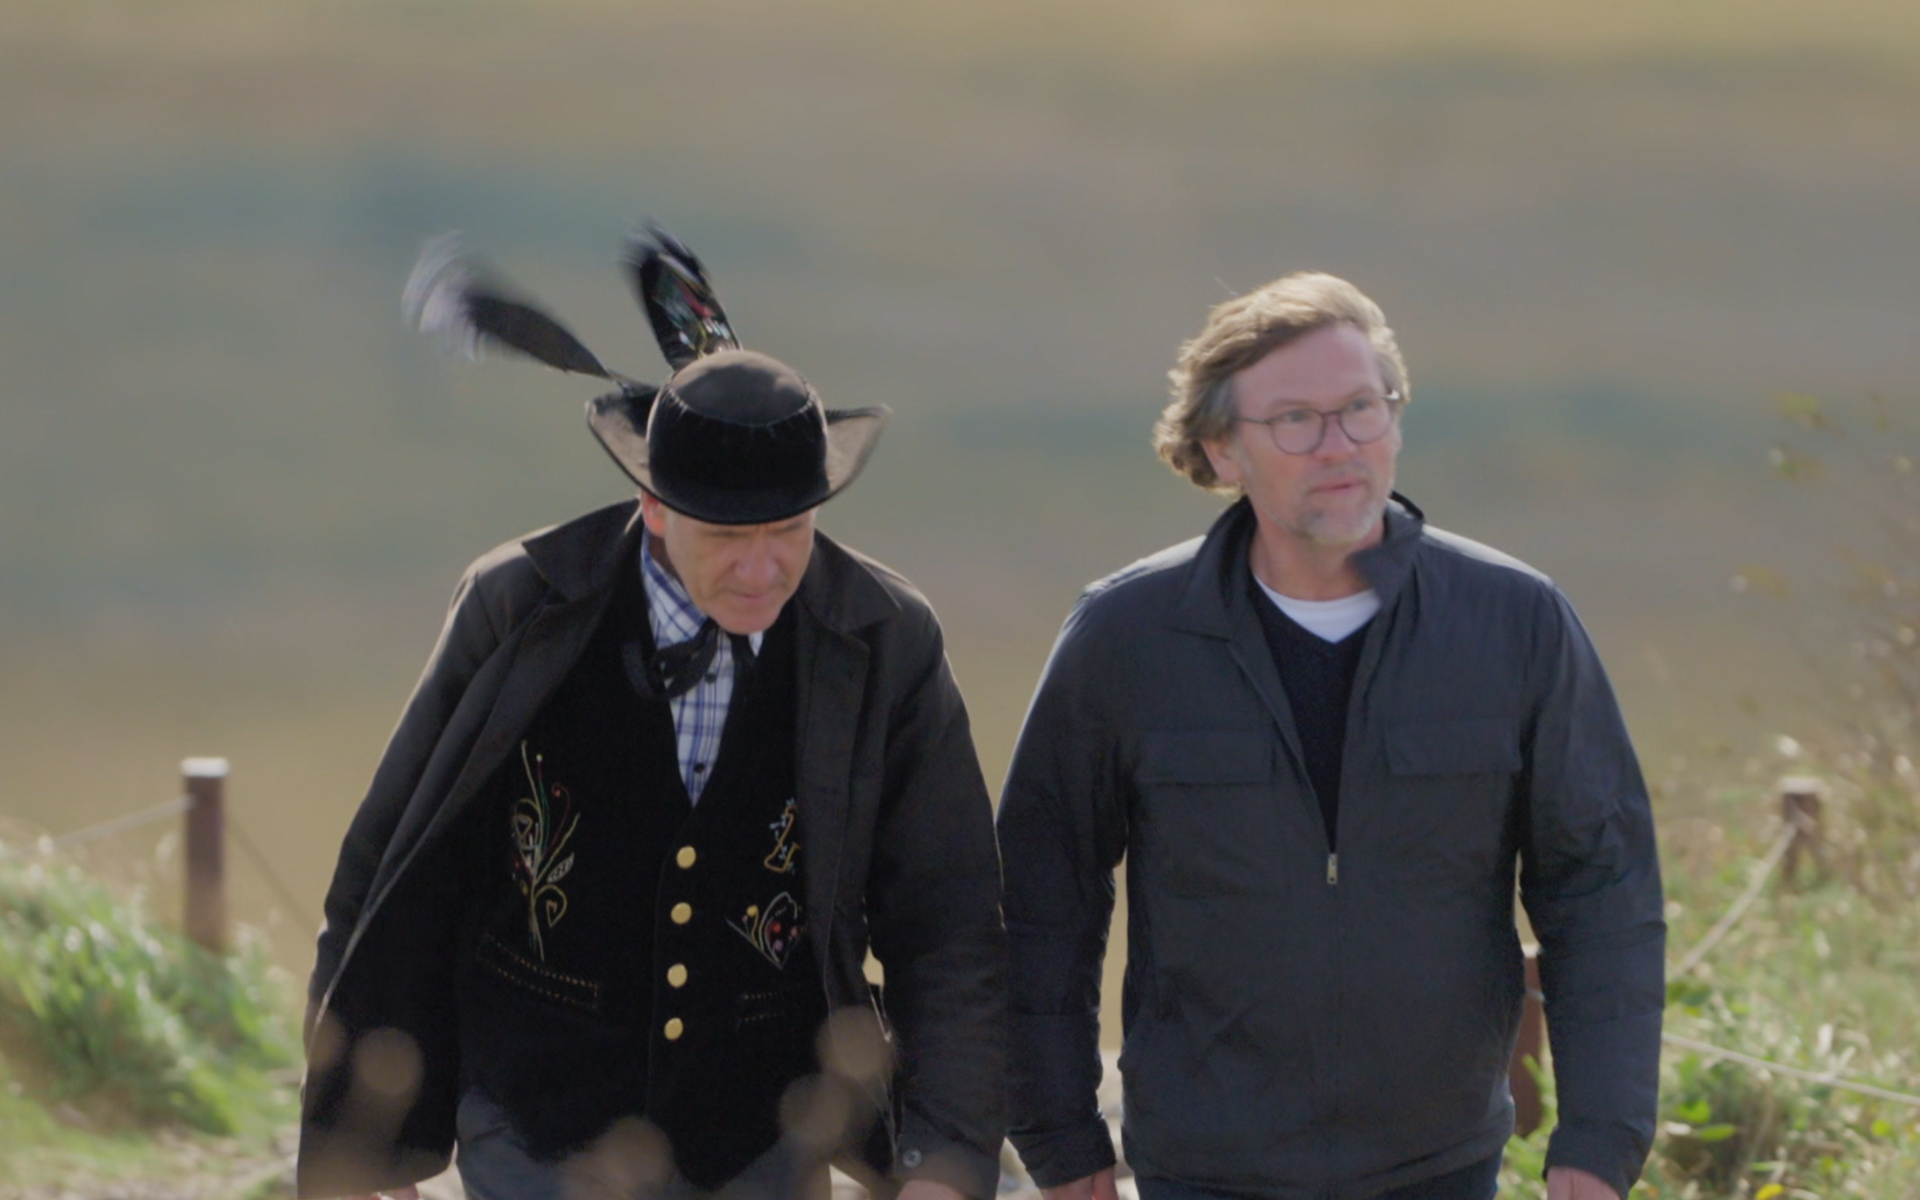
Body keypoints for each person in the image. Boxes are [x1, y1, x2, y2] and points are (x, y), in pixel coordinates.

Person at [298, 232, 1005, 1200]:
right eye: (728, 535)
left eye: (790, 531)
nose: (763, 571)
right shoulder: (518, 607)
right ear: (655, 504)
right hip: (532, 1126)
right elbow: (395, 868)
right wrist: (360, 1148)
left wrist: (945, 1164)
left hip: (770, 1136)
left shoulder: (885, 642)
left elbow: (950, 924)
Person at [997, 272, 1664, 1200]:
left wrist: (1597, 1149)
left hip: (1440, 1165)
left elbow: (1602, 893)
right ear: (1221, 449)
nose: (1339, 445)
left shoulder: (1516, 624)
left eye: (1362, 408)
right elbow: (1040, 904)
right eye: (1296, 421)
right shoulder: (1126, 637)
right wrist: (1064, 1147)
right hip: (1204, 1168)